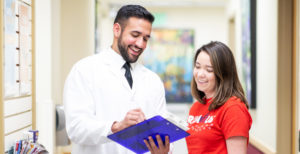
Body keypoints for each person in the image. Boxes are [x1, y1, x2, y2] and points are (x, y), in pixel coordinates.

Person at [63, 5, 170, 154]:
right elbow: (76, 128)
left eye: (145, 38)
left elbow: (161, 132)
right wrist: (116, 127)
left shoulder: (153, 80)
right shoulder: (84, 70)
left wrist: (164, 150)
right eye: (135, 35)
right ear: (117, 30)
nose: (140, 44)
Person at [186, 41, 252, 154]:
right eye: (197, 67)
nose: (200, 74)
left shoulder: (233, 108)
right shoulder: (195, 107)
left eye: (209, 70)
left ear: (223, 74)